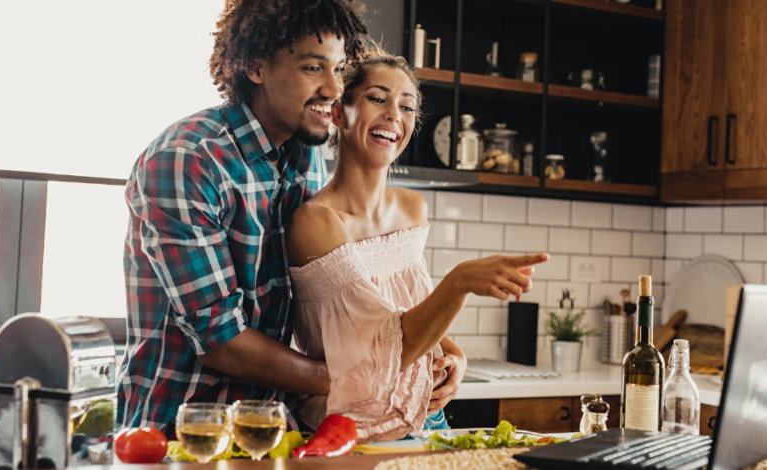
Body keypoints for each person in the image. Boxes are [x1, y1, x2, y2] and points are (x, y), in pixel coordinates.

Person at [117, 0, 370, 434]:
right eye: (314, 68)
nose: (334, 89)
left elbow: (342, 282)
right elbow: (222, 343)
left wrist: (435, 346)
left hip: (270, 430)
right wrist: (351, 381)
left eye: (340, 69)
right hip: (179, 434)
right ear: (255, 67)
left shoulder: (306, 158)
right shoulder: (188, 160)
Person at [286, 53, 549, 442]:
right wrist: (459, 282)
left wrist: (454, 355)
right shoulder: (315, 222)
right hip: (348, 432)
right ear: (339, 113)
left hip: (423, 420)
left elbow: (410, 311)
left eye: (407, 106)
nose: (395, 114)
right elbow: (377, 359)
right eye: (378, 98)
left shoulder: (412, 209)